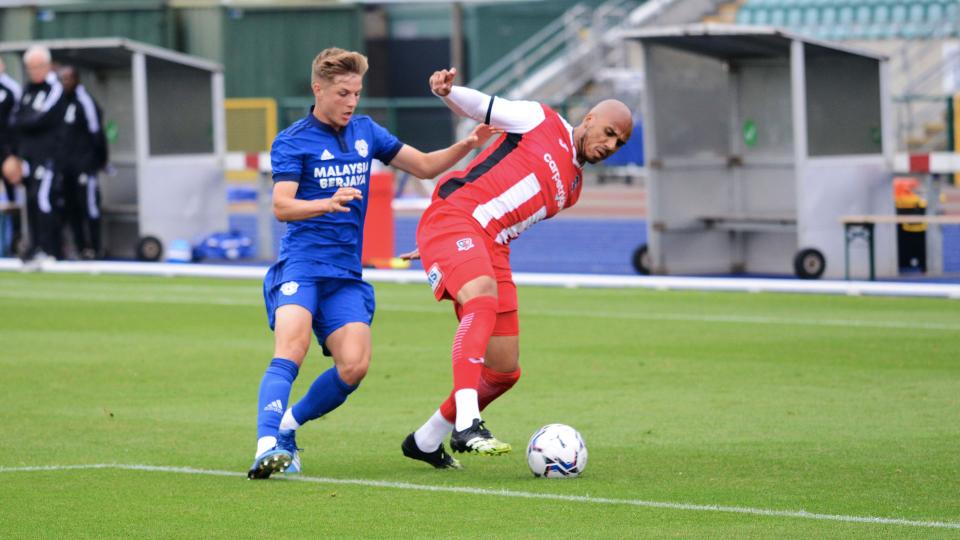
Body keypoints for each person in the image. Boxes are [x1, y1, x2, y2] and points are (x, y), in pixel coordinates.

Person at [248, 48, 499, 479]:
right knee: (292, 346)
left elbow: (421, 166)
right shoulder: (292, 140)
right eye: (343, 93)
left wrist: (467, 145)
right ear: (318, 89)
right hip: (303, 266)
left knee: (354, 366)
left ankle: (288, 429)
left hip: (345, 275)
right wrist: (327, 202)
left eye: (357, 93)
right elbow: (282, 206)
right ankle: (266, 443)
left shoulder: (366, 131)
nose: (351, 102)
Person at [399, 68, 632, 469]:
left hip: (490, 245)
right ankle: (468, 423)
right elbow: (484, 107)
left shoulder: (573, 189)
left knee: (505, 370)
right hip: (458, 217)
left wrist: (446, 252)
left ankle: (425, 439)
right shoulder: (540, 119)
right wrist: (448, 92)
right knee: (482, 299)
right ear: (589, 118)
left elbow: (506, 211)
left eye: (619, 142)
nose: (611, 144)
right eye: (609, 132)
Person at [10, 45, 67, 261]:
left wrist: (26, 121)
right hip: (29, 156)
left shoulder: (54, 88)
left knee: (42, 198)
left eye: (37, 67)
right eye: (29, 68)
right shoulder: (27, 90)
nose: (33, 71)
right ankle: (35, 247)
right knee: (31, 201)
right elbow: (15, 119)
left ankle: (50, 249)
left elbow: (41, 118)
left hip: (49, 156)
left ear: (47, 66)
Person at [58, 65, 108, 260]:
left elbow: (97, 132)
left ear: (76, 79)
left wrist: (100, 159)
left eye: (67, 79)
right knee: (72, 209)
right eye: (61, 80)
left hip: (85, 165)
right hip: (66, 167)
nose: (64, 83)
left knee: (90, 207)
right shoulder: (61, 102)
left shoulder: (85, 101)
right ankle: (81, 249)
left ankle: (96, 248)